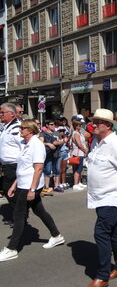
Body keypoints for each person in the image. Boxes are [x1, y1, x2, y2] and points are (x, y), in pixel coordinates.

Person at [0, 119, 64, 262]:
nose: (20, 131)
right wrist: (14, 184)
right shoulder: (24, 144)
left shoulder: (36, 144)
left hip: (30, 185)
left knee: (18, 214)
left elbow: (38, 168)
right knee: (39, 210)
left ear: (30, 130)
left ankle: (11, 249)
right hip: (23, 183)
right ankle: (57, 236)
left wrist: (32, 189)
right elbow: (23, 167)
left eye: (22, 128)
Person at [86, 109, 117, 287]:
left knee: (101, 232)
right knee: (114, 232)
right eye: (94, 121)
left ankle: (102, 276)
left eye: (98, 122)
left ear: (108, 125)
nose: (94, 124)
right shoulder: (97, 141)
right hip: (99, 196)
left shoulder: (116, 144)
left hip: (113, 196)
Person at [0, 103, 23, 226]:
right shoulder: (6, 127)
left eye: (3, 113)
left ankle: (20, 216)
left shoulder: (17, 128)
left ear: (12, 114)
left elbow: (24, 147)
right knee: (10, 191)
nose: (0, 115)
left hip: (14, 165)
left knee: (10, 191)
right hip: (7, 166)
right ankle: (18, 216)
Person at [39, 120, 64, 196]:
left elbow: (62, 141)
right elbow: (40, 143)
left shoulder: (56, 133)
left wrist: (58, 143)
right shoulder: (43, 133)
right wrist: (48, 144)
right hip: (48, 154)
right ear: (47, 125)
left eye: (54, 124)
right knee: (47, 170)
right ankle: (46, 187)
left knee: (57, 170)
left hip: (56, 154)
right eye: (51, 124)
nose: (53, 126)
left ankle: (56, 186)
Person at [71, 120, 89, 191]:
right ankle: (75, 184)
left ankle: (78, 182)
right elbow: (79, 144)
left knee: (79, 168)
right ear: (75, 126)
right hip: (78, 153)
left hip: (80, 153)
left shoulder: (79, 133)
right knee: (78, 168)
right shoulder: (76, 133)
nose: (80, 127)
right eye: (79, 125)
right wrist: (85, 150)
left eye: (81, 125)